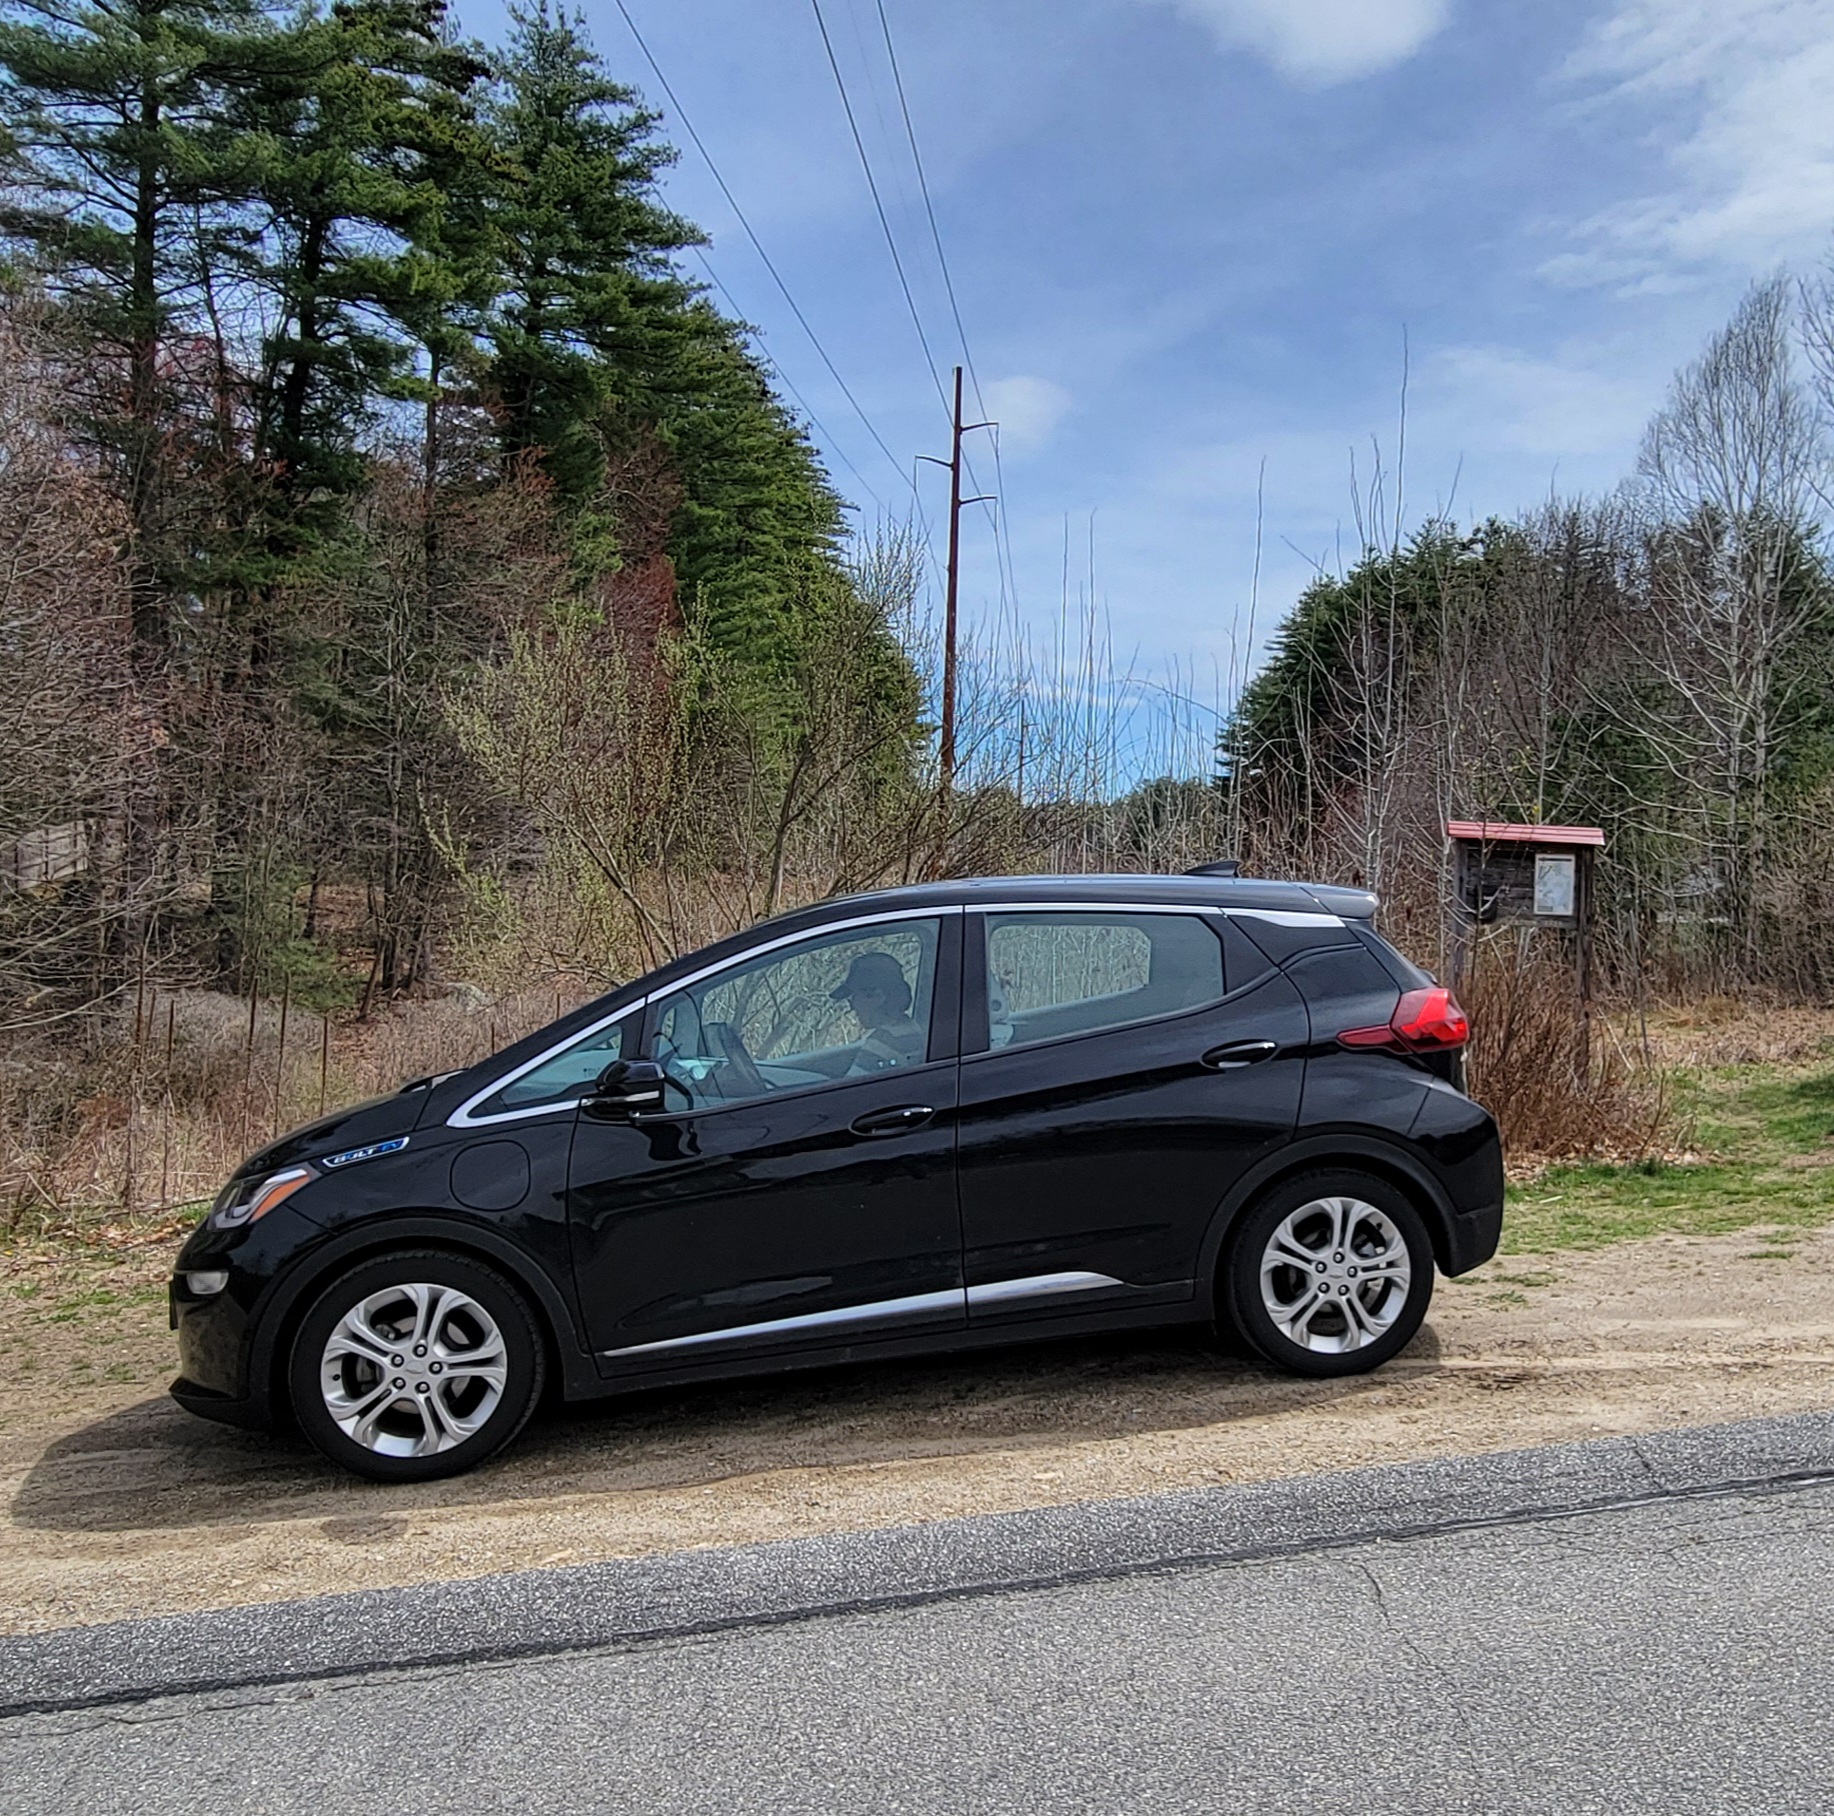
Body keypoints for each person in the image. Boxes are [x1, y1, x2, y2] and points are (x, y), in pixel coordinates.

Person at [831, 950, 925, 1074]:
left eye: (853, 998)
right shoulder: (911, 1029)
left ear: (877, 996)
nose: (852, 1008)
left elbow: (851, 1091)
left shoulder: (884, 1042)